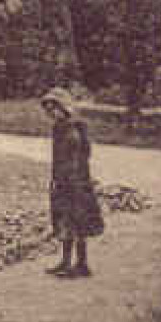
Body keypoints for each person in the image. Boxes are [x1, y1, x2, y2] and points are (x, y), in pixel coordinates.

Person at [42, 87, 104, 278]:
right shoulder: (57, 128)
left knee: (78, 222)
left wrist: (79, 180)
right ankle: (66, 262)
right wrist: (54, 179)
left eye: (55, 108)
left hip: (77, 181)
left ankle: (82, 264)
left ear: (64, 107)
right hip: (62, 181)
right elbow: (56, 157)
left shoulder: (77, 127)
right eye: (49, 110)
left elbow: (85, 154)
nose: (52, 113)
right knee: (64, 221)